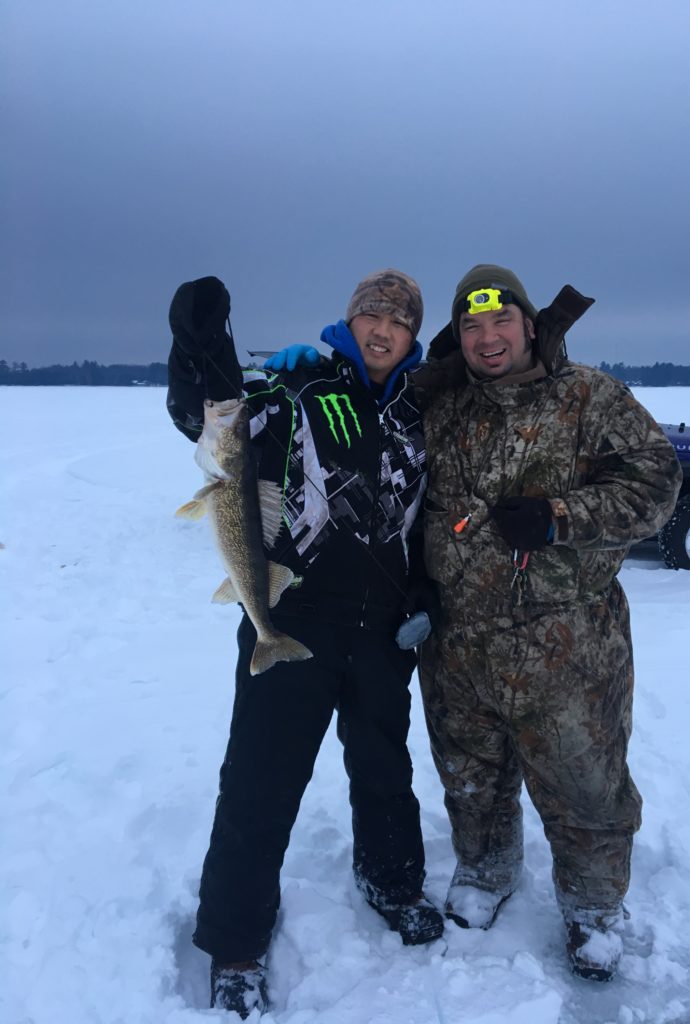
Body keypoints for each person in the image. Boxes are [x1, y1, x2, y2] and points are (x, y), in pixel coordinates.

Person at [167, 270, 443, 1019]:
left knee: (386, 766)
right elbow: (213, 422)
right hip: (295, 612)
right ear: (348, 322)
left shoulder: (425, 405)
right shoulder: (299, 387)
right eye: (370, 315)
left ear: (414, 335)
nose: (382, 328)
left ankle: (391, 880)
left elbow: (429, 509)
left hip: (385, 623)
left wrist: (422, 589)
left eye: (398, 320)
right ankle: (236, 941)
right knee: (261, 778)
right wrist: (202, 347)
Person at [413, 264, 682, 981]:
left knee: (585, 783)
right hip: (457, 642)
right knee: (471, 775)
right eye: (471, 326)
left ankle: (594, 908)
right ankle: (486, 868)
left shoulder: (590, 396)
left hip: (567, 646)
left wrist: (562, 518)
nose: (487, 337)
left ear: (529, 325)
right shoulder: (441, 409)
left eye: (501, 321)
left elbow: (658, 484)